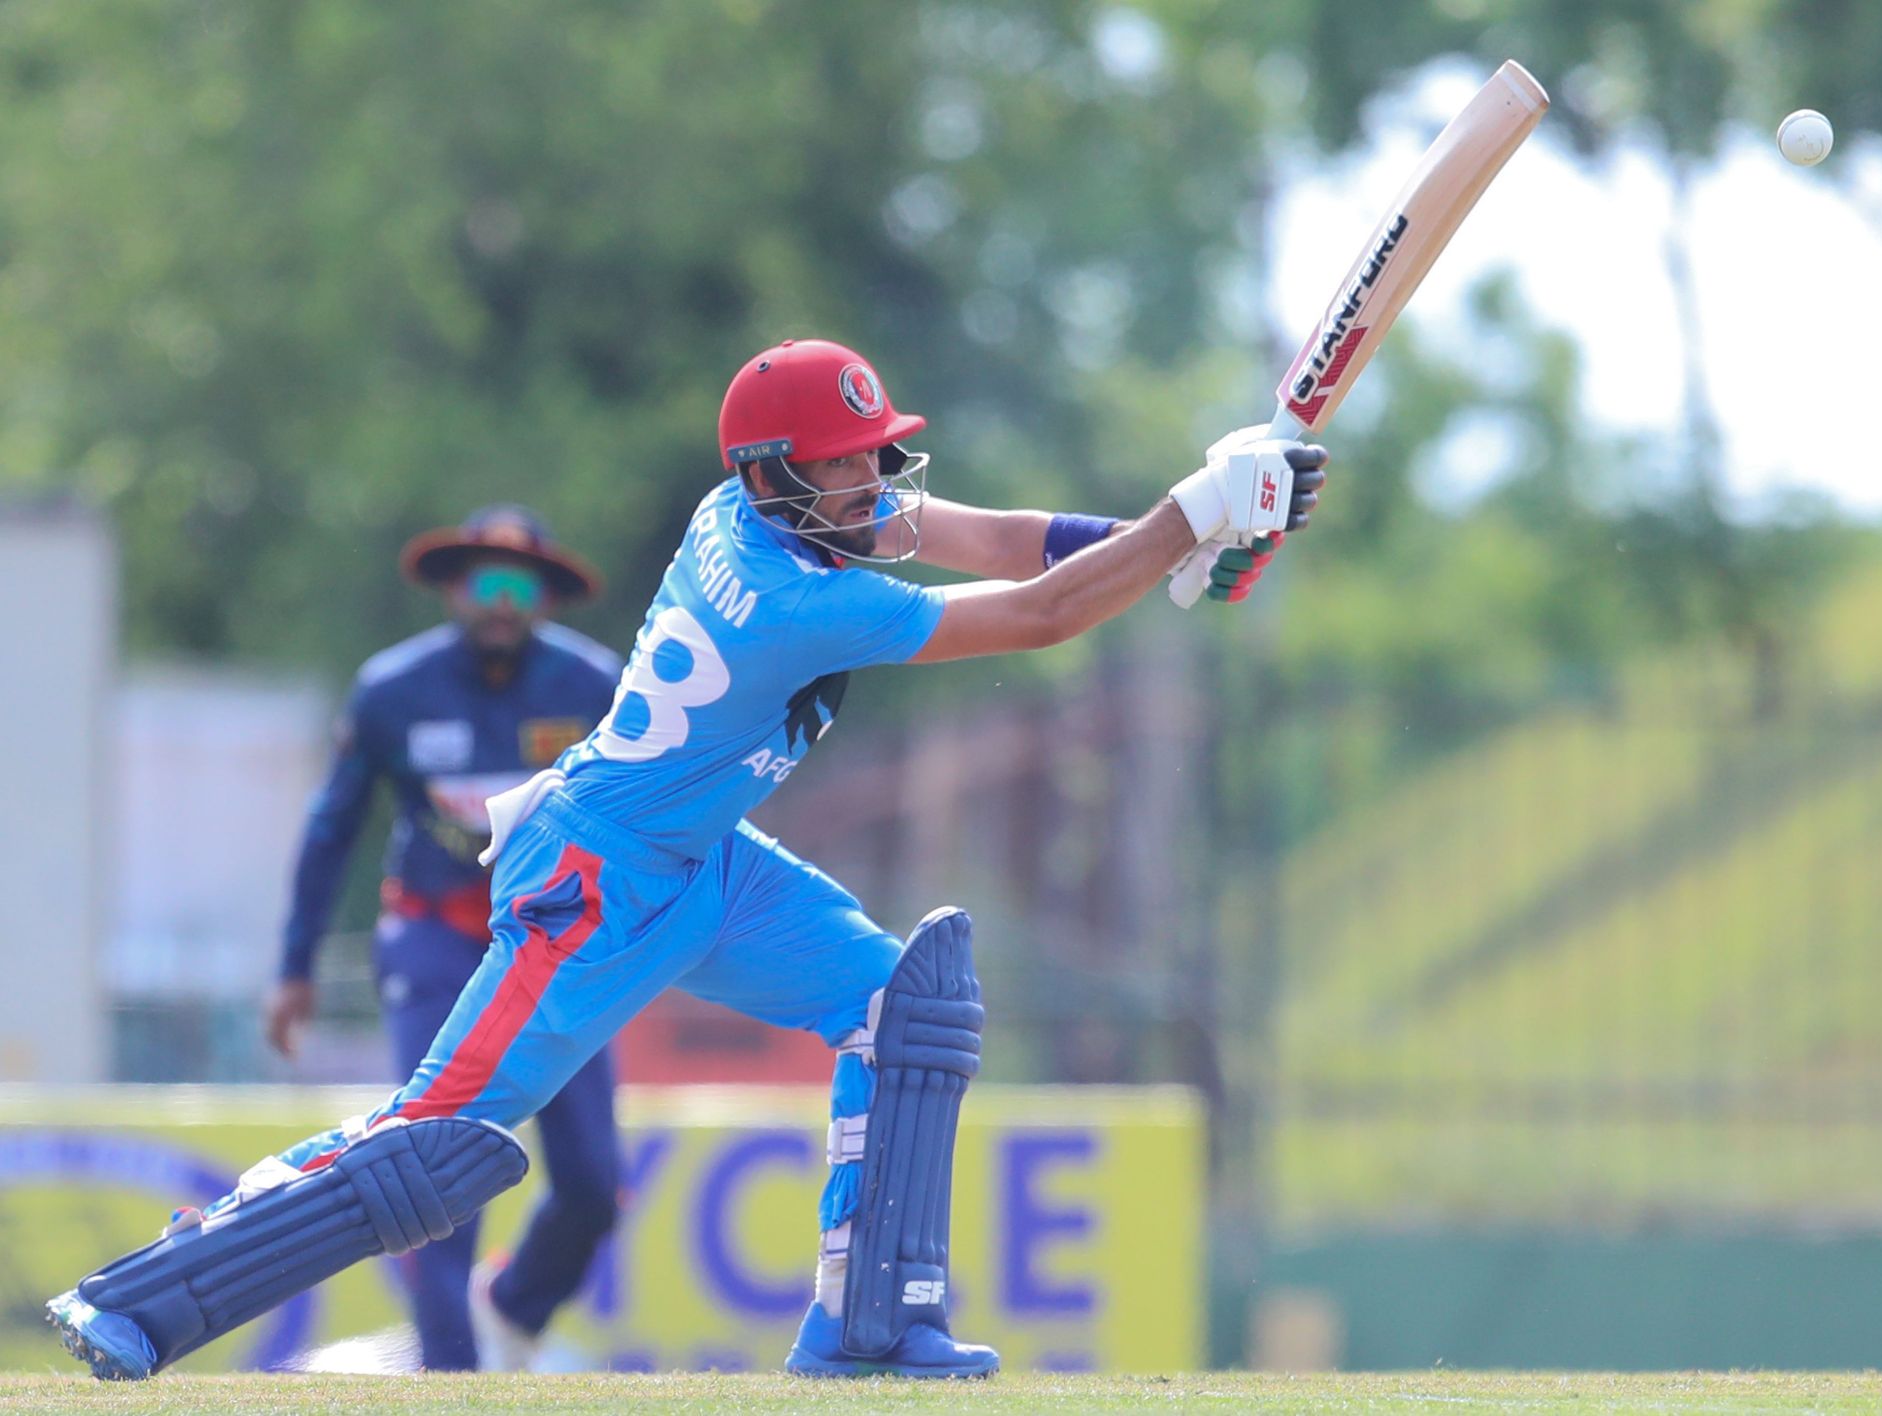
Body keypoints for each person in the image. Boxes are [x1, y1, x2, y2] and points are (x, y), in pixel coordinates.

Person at [47, 337, 1327, 1381]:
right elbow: (1043, 612)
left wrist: (1187, 542)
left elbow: (1001, 542)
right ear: (782, 478)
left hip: (698, 858)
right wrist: (1189, 518)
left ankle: (870, 1329)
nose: (877, 482)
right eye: (850, 467)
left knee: (902, 1008)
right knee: (437, 1139)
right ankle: (148, 1297)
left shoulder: (763, 508)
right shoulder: (798, 599)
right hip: (593, 882)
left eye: (881, 453)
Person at [265, 504, 625, 1371]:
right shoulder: (394, 691)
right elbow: (331, 828)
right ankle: (452, 1379)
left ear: (546, 598)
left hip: (555, 950)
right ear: (452, 591)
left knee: (591, 1184)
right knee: (437, 1168)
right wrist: (295, 968)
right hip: (435, 940)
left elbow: (642, 822)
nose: (501, 603)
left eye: (520, 585)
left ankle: (512, 1306)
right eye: (484, 583)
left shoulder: (594, 688)